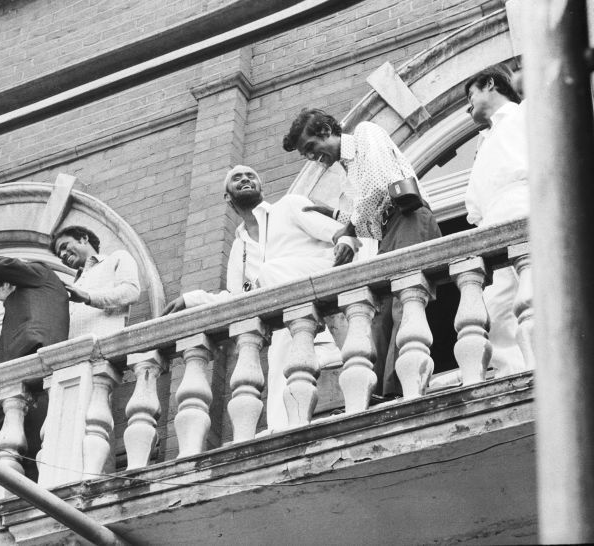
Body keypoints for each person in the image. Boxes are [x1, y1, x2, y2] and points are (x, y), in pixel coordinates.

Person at [162, 165, 358, 431]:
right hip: (290, 314)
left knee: (269, 272)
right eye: (236, 178)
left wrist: (344, 242)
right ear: (227, 197)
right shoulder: (238, 248)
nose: (244, 178)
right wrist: (192, 299)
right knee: (278, 357)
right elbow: (236, 299)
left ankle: (324, 342)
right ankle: (283, 431)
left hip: (322, 276)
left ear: (260, 187)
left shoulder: (289, 206)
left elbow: (338, 232)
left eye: (250, 176)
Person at [282, 109, 442, 398]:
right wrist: (334, 214)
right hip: (389, 231)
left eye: (310, 148)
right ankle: (379, 392)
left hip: (410, 219)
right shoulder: (348, 171)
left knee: (404, 304)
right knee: (380, 315)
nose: (311, 157)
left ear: (325, 132)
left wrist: (349, 232)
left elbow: (380, 187)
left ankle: (400, 389)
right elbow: (369, 215)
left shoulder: (366, 133)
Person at [464, 65, 529, 377]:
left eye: (471, 95)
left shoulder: (524, 114)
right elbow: (475, 207)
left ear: (489, 83)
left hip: (524, 206)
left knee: (535, 292)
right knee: (497, 306)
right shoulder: (484, 142)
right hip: (491, 225)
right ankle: (513, 373)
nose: (468, 105)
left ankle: (545, 364)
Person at [0, 256, 70, 481]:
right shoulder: (24, 298)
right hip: (18, 373)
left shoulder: (39, 272)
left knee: (23, 439)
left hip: (33, 360)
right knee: (5, 444)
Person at [50, 225, 140, 338]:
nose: (62, 255)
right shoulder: (75, 285)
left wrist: (88, 297)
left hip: (108, 345)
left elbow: (131, 291)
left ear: (84, 239)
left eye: (64, 246)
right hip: (75, 352)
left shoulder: (116, 258)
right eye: (59, 255)